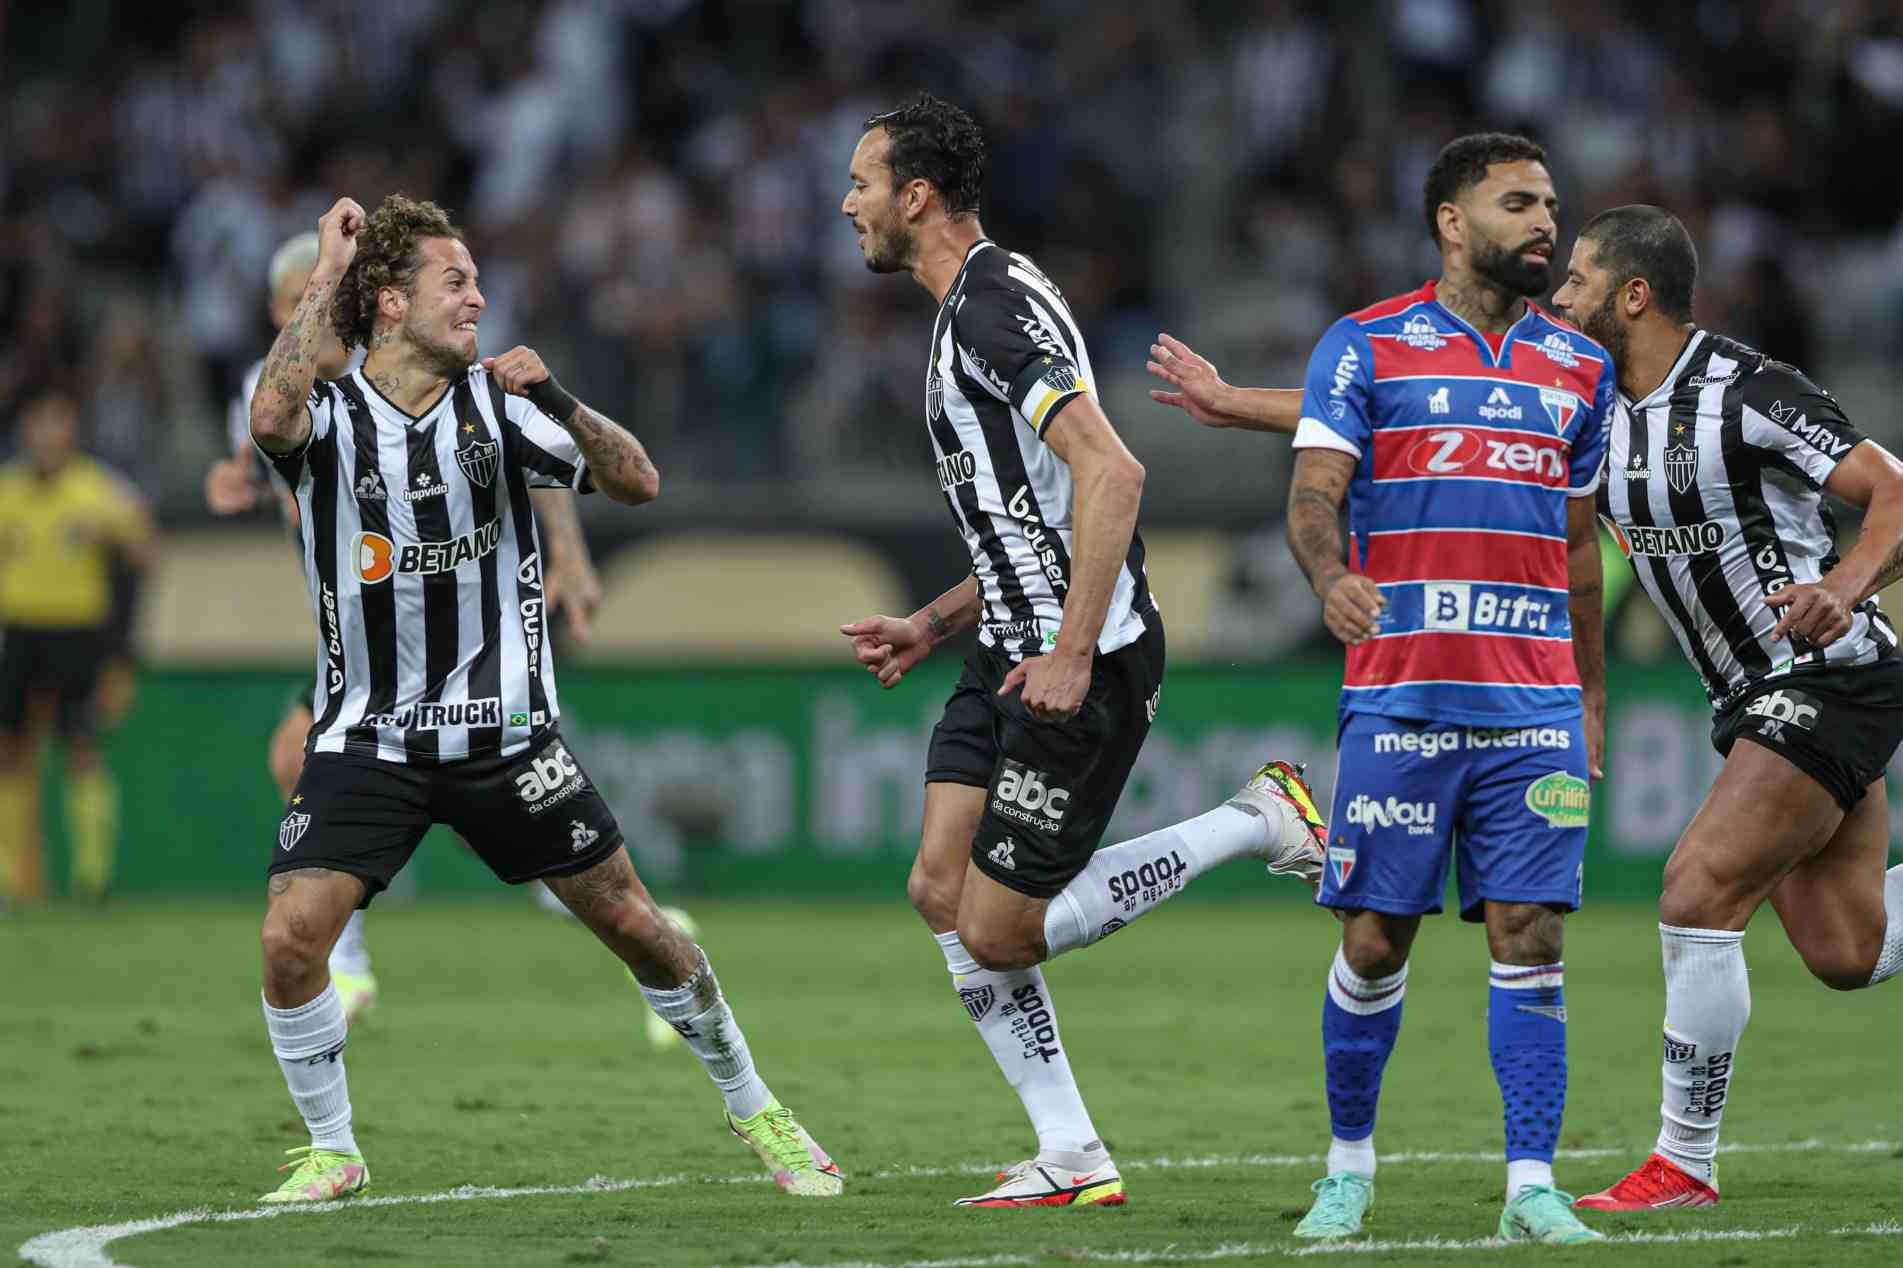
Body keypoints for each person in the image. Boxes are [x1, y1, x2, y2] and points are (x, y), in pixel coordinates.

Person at [246, 193, 841, 1204]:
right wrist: (327, 273)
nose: (478, 298)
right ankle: (333, 1150)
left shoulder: (503, 407)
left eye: (478, 281)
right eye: (455, 282)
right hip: (369, 738)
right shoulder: (330, 419)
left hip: (506, 737)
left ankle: (755, 1105)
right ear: (389, 302)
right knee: (289, 937)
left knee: (638, 926)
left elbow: (638, 479)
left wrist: (561, 398)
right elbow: (269, 417)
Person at [837, 94, 1326, 1209]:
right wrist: (933, 622)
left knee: (998, 929)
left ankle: (1256, 818)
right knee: (938, 887)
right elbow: (1038, 512)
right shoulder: (984, 297)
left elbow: (1113, 473)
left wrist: (1067, 650)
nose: (847, 203)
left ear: (916, 196)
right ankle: (1070, 1151)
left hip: (1077, 659)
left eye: (861, 183)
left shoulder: (990, 311)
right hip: (1001, 647)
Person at [1164, 133, 1612, 1244]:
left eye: (1550, 204)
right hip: (1403, 699)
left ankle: (1531, 1187)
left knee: (1530, 936)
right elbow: (1315, 493)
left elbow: (1578, 549)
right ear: (1452, 223)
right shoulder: (1364, 344)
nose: (1545, 223)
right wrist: (1330, 578)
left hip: (1534, 708)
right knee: (1373, 940)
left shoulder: (1580, 368)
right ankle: (1347, 1170)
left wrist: (1590, 695)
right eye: (1518, 203)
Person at [1551, 205, 1903, 1211]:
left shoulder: (1747, 391)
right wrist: (1589, 690)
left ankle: (1684, 1161)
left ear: (1632, 295)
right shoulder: (1591, 408)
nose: (1559, 297)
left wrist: (1841, 584)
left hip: (1828, 675)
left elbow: (1892, 490)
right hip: (1748, 694)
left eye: (1578, 279)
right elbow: (1570, 549)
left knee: (1696, 887)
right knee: (1847, 950)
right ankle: (1684, 1163)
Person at [209, 232, 608, 1021]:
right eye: (292, 303)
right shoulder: (272, 388)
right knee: (357, 774)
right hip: (361, 633)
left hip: (447, 624)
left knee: (387, 773)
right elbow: (274, 466)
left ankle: (362, 957)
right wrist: (239, 483)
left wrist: (567, 551)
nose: (307, 314)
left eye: (319, 296)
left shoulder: (401, 373)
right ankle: (370, 952)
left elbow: (525, 452)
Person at [0, 388, 157, 904]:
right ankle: (11, 883)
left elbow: (143, 554)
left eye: (58, 422)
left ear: (72, 431)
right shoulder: (7, 490)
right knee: (10, 752)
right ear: (25, 431)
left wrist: (122, 652)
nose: (49, 434)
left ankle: (92, 878)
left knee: (81, 749)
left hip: (78, 634)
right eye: (40, 423)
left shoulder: (98, 488)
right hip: (18, 632)